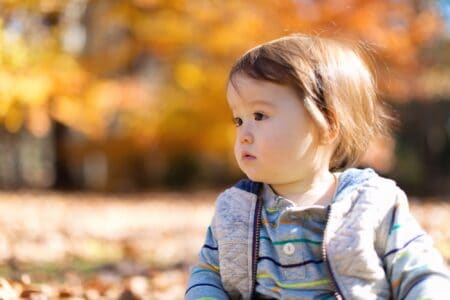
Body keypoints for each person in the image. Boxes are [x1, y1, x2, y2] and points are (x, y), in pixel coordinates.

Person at [185, 34, 450, 299]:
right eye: (238, 120)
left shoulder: (371, 202)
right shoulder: (235, 209)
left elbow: (419, 271)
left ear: (328, 124)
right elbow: (208, 273)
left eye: (259, 116)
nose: (244, 134)